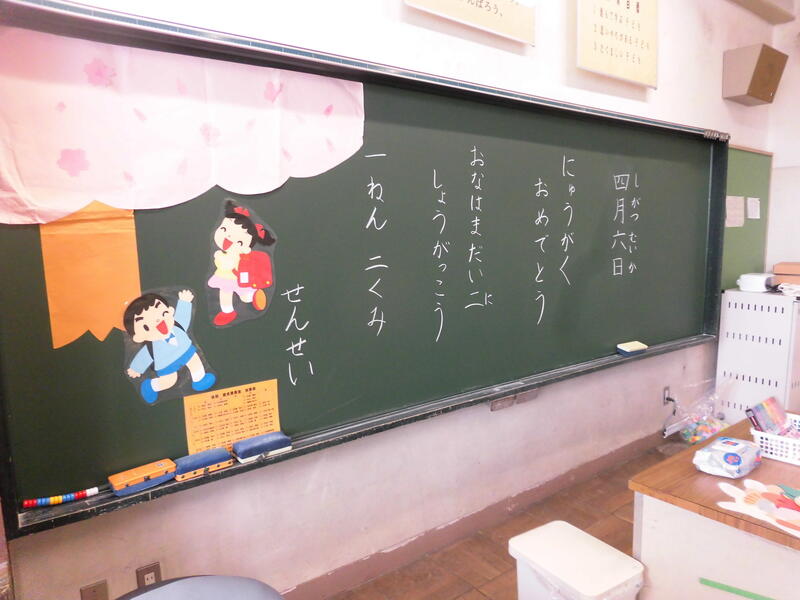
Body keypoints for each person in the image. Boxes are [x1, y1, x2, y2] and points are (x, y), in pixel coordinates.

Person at [124, 289, 215, 404]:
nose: (158, 321)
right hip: (166, 363)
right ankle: (151, 386)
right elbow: (145, 355)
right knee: (169, 381)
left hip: (186, 352)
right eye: (146, 326)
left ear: (170, 311)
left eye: (163, 314)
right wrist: (136, 368)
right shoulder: (152, 347)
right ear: (139, 336)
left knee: (195, 363)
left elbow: (183, 317)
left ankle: (199, 380)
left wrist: (184, 302)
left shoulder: (177, 326)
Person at [208, 200, 276, 326]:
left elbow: (227, 265)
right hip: (225, 278)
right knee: (225, 293)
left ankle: (254, 295)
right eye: (223, 229)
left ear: (246, 247)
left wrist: (221, 258)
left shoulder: (237, 256)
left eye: (239, 242)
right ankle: (228, 312)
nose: (228, 238)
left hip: (238, 278)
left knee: (245, 296)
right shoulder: (222, 253)